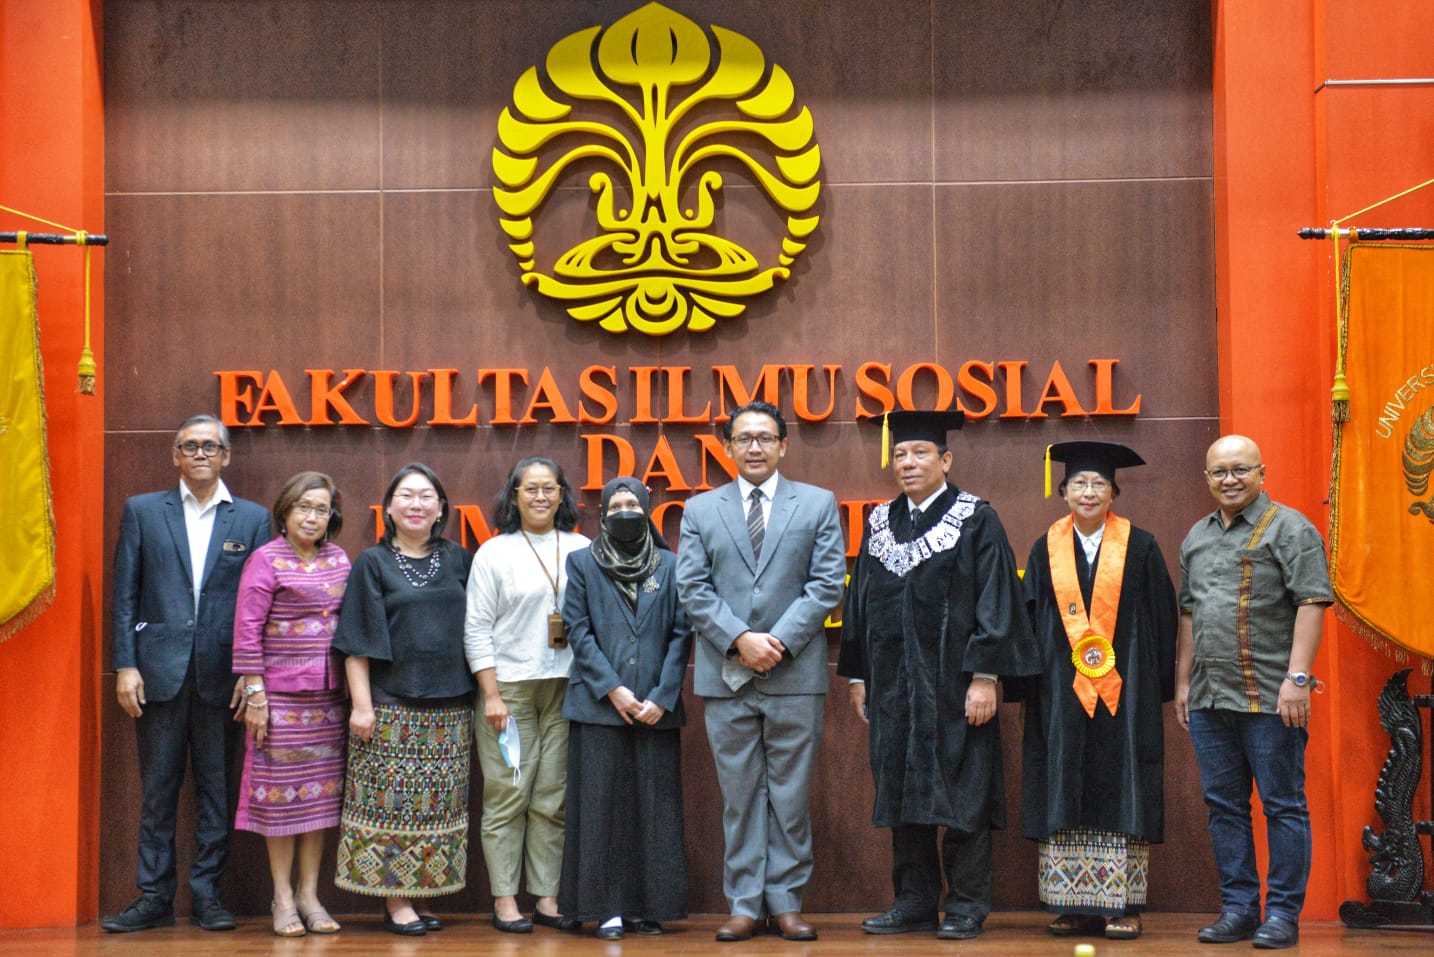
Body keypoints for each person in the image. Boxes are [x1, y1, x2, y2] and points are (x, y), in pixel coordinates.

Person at [837, 409, 1041, 941]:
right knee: (903, 795)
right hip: (895, 689)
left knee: (965, 795)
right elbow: (860, 604)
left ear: (945, 459)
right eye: (900, 454)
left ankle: (968, 904)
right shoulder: (880, 521)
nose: (908, 462)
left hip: (957, 687)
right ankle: (914, 901)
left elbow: (997, 601)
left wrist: (987, 676)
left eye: (920, 453)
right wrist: (858, 676)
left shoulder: (976, 519)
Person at [675, 400, 846, 943]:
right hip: (726, 677)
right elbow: (692, 589)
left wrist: (776, 642)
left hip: (795, 673)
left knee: (791, 795)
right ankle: (746, 903)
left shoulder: (817, 504)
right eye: (744, 438)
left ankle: (787, 902)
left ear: (783, 446)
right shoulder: (701, 511)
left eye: (765, 438)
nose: (754, 447)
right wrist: (739, 640)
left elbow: (826, 583)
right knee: (741, 796)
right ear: (727, 446)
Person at [102, 414, 270, 933]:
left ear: (226, 457)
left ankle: (207, 896)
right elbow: (125, 594)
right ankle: (153, 896)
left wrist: (251, 671)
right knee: (158, 789)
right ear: (175, 455)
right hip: (157, 673)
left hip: (225, 676)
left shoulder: (252, 518)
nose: (200, 454)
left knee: (217, 790)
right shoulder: (144, 511)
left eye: (210, 447)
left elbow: (257, 603)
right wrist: (125, 664)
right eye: (190, 446)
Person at [1176, 435, 1332, 951]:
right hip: (1209, 698)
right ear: (1206, 478)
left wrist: (1298, 679)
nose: (1229, 480)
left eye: (1240, 470)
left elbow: (1312, 602)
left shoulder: (1291, 528)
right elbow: (1190, 616)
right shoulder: (1196, 537)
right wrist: (1182, 684)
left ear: (1261, 472)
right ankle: (1239, 909)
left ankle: (1283, 914)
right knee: (1224, 807)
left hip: (1271, 696)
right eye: (1219, 472)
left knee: (1283, 805)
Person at [1019, 441, 1178, 941]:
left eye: (1099, 485)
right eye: (1079, 484)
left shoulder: (1142, 546)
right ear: (1063, 491)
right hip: (1059, 690)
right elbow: (1028, 620)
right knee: (1063, 779)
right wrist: (1032, 688)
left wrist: (1154, 690)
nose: (1089, 492)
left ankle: (1123, 903)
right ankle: (1073, 904)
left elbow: (1162, 619)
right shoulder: (1044, 548)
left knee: (1123, 780)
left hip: (1124, 692)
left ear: (1115, 491)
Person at [332, 463, 475, 936]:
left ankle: (417, 894)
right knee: (391, 807)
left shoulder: (459, 559)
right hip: (391, 705)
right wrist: (361, 705)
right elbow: (355, 641)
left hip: (451, 705)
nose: (417, 504)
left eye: (427, 497)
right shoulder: (372, 563)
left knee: (437, 807)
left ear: (440, 509)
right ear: (389, 507)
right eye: (407, 496)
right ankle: (395, 902)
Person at [557, 477, 694, 940]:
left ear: (648, 508)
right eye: (616, 505)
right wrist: (612, 689)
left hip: (658, 707)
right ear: (602, 512)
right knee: (600, 809)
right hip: (599, 706)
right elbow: (577, 630)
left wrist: (663, 694)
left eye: (633, 503)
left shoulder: (673, 566)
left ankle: (646, 908)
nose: (625, 511)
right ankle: (605, 908)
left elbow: (681, 633)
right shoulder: (581, 563)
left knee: (653, 810)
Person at [464, 456, 590, 934]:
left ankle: (547, 897)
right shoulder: (494, 553)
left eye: (549, 488)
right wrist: (491, 694)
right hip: (510, 693)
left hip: (566, 689)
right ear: (513, 496)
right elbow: (476, 629)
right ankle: (504, 899)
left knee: (551, 799)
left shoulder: (582, 547)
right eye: (529, 488)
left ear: (562, 495)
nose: (540, 496)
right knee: (508, 795)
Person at [232, 471, 350, 937]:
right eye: (304, 506)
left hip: (327, 701)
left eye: (321, 509)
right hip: (277, 700)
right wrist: (255, 694)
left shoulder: (340, 559)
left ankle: (309, 894)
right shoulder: (265, 560)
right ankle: (282, 898)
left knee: (318, 801)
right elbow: (246, 629)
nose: (312, 516)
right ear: (285, 511)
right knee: (281, 802)